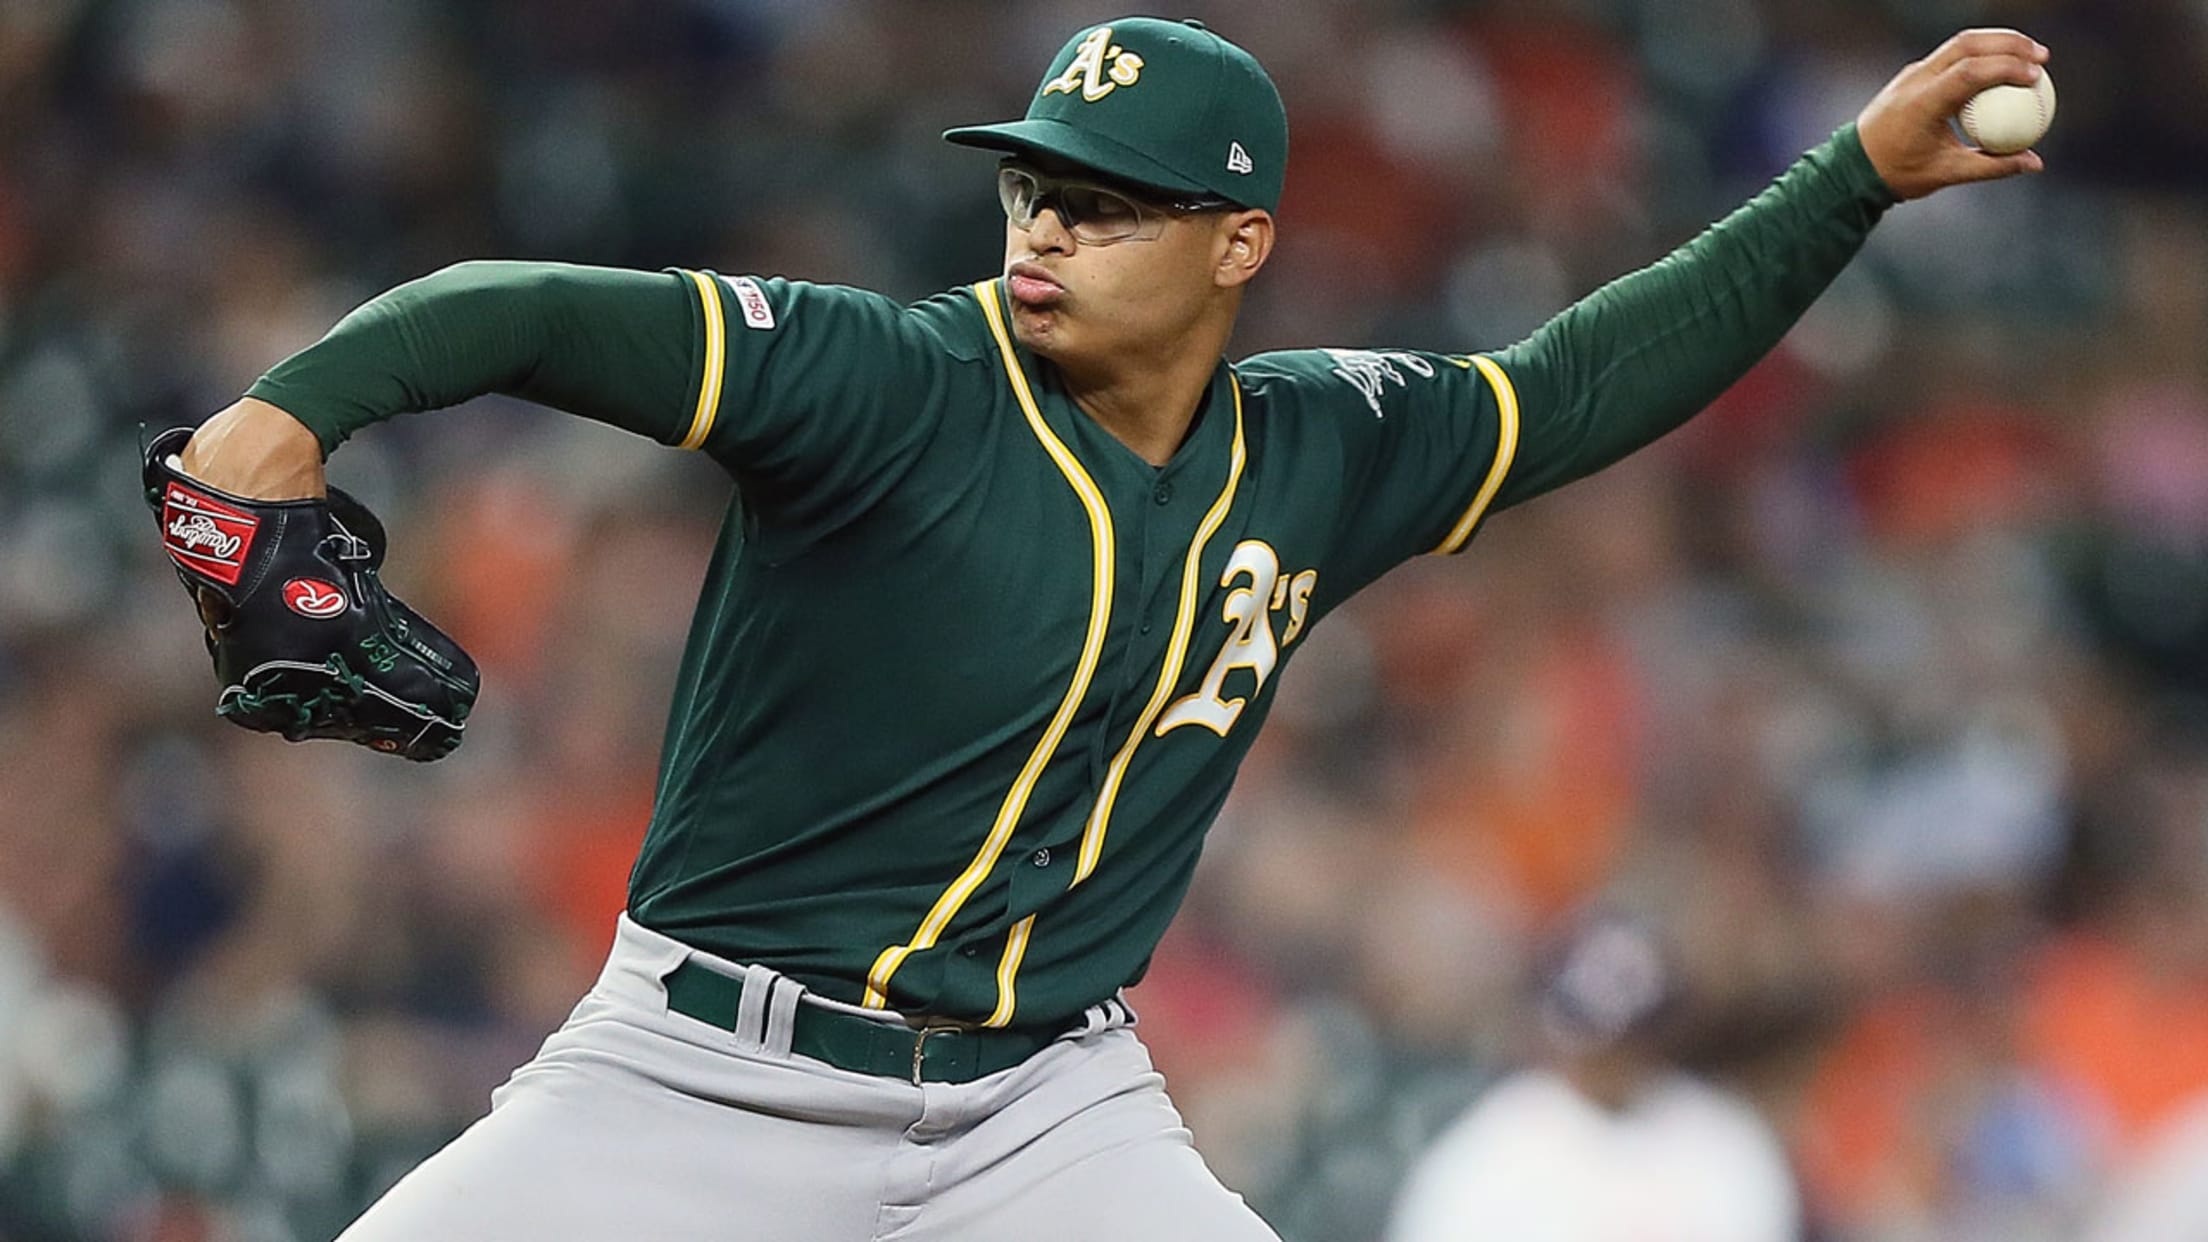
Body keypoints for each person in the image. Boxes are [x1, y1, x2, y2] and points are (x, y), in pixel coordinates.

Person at [169, 15, 2050, 1241]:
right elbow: (519, 305)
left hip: (1044, 1111)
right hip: (700, 1071)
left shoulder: (1319, 447)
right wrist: (279, 422)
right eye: (1033, 187)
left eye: (1106, 205)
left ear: (1238, 242)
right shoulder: (886, 378)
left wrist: (1851, 181)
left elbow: (1579, 383)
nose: (1044, 231)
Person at [1387, 917, 1799, 1242]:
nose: (1611, 1062)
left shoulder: (1726, 1143)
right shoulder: (1488, 1153)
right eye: (1596, 1042)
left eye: (1629, 1043)